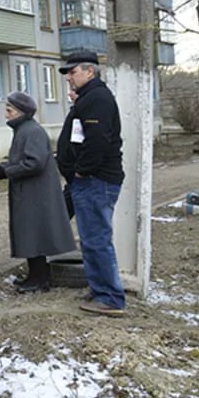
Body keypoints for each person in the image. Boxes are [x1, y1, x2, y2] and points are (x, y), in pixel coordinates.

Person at [56, 51, 127, 317]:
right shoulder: (89, 98)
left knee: (97, 239)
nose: (68, 78)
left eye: (72, 72)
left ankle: (110, 297)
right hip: (90, 181)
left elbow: (97, 141)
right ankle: (101, 290)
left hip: (95, 181)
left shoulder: (96, 98)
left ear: (90, 71)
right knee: (91, 239)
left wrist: (81, 171)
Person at [0, 92, 75, 292]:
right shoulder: (25, 129)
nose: (6, 114)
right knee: (32, 234)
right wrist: (5, 167)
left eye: (9, 110)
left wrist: (7, 170)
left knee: (34, 234)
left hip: (35, 194)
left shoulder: (31, 131)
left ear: (20, 112)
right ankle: (36, 276)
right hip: (31, 192)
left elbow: (34, 162)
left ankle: (39, 279)